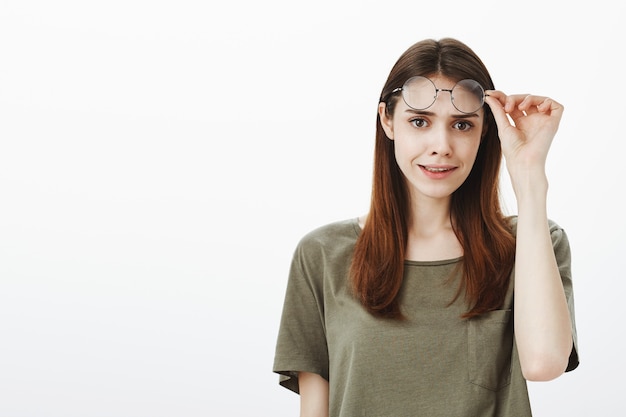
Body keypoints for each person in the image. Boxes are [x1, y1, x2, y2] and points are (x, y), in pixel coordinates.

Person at [272, 37, 579, 417]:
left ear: (485, 132)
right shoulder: (322, 254)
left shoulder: (531, 243)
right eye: (419, 121)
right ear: (387, 120)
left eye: (463, 125)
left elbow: (544, 363)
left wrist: (530, 176)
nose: (441, 145)